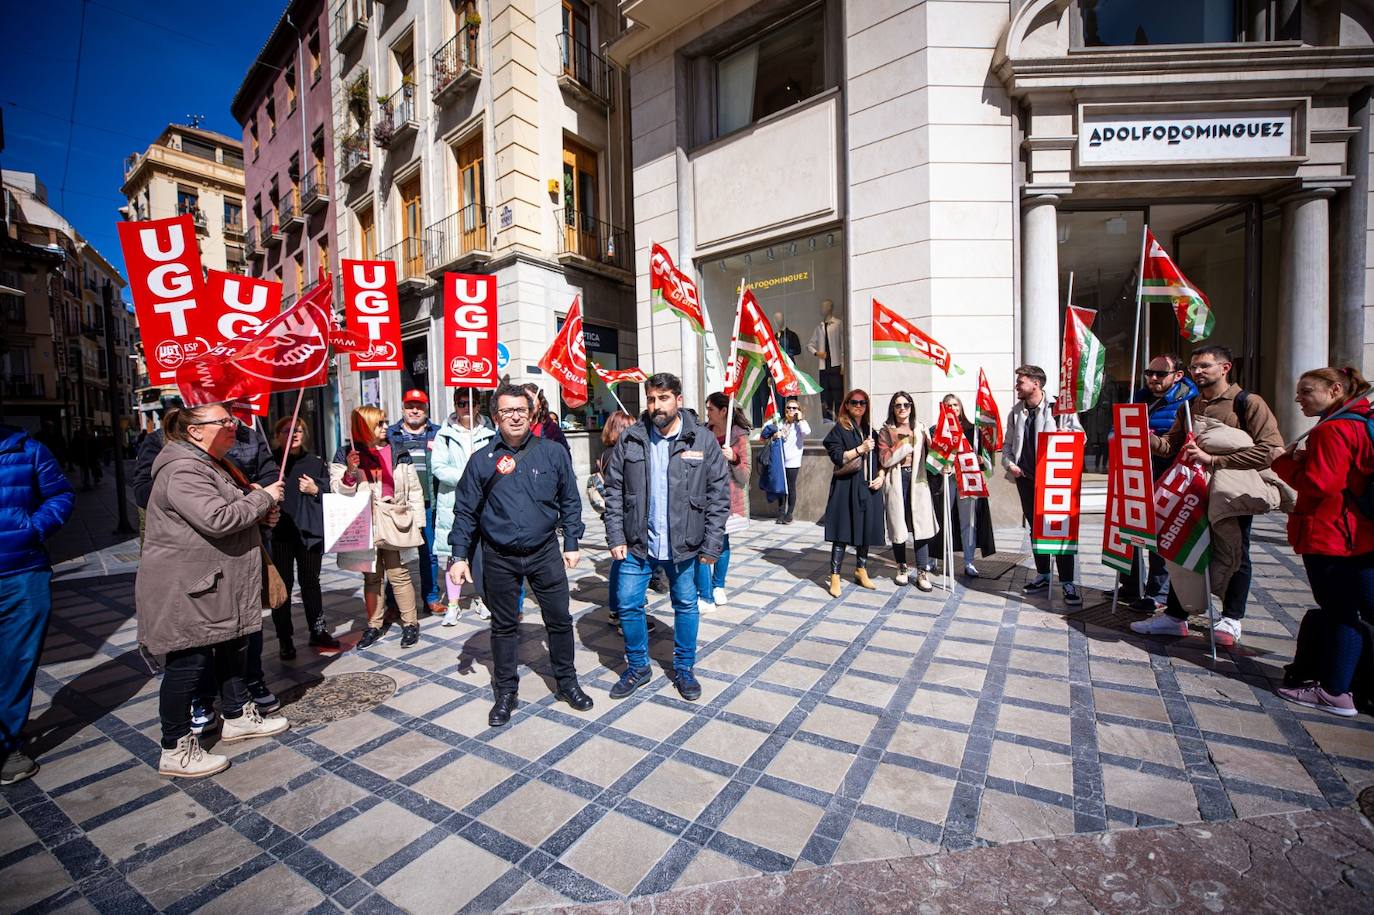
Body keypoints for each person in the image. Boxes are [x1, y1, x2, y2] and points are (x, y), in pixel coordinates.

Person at [137, 404, 289, 779]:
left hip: (217, 580)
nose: (232, 425)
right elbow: (218, 518)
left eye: (232, 420)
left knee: (230, 648)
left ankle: (237, 715)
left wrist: (262, 507)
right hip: (190, 586)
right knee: (189, 663)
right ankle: (175, 747)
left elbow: (235, 508)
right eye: (223, 421)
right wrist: (263, 498)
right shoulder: (183, 469)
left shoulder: (214, 464)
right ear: (195, 431)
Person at [447, 383, 591, 726]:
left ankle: (567, 682)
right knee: (504, 626)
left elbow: (571, 501)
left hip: (544, 553)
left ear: (532, 413)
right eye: (507, 410)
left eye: (521, 410)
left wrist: (572, 541)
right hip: (499, 556)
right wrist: (459, 556)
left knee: (559, 619)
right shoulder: (481, 460)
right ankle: (506, 692)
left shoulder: (552, 453)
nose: (515, 416)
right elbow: (465, 511)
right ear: (496, 416)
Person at [1131, 345, 1283, 645]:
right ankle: (1176, 616)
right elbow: (1171, 445)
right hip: (1194, 493)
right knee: (1184, 547)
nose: (1197, 372)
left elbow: (1270, 449)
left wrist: (1215, 460)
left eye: (1204, 366)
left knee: (1235, 552)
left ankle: (1231, 618)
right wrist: (1141, 435)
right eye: (1193, 367)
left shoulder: (1247, 403)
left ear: (1225, 368)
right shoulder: (1191, 405)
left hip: (1232, 494)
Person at [603, 373, 729, 702]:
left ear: (678, 400)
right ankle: (639, 667)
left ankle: (684, 669)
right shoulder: (631, 438)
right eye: (651, 399)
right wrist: (615, 534)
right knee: (629, 604)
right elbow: (613, 491)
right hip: (636, 545)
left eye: (663, 398)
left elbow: (718, 496)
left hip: (685, 546)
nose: (656, 406)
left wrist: (712, 544)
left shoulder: (701, 440)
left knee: (685, 605)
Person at [1270, 367, 1374, 716]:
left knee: (1340, 613)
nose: (1298, 398)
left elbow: (1318, 486)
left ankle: (1335, 692)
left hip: (1330, 536)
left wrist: (1283, 464)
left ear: (1334, 390)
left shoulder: (1333, 429)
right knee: (1364, 610)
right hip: (1359, 533)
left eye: (1306, 391)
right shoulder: (1359, 422)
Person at [0, 425, 75, 785]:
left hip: (22, 572)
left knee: (17, 661)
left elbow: (60, 494)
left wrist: (33, 530)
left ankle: (7, 743)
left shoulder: (27, 449)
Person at [332, 405, 426, 650]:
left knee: (399, 574)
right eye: (379, 423)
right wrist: (351, 471)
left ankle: (410, 624)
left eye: (385, 422)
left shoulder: (397, 451)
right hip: (365, 523)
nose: (386, 427)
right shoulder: (346, 454)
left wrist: (418, 522)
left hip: (395, 519)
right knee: (372, 577)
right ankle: (374, 625)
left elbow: (415, 489)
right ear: (364, 426)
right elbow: (339, 490)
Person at [1118, 355, 1197, 610]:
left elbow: (1179, 443)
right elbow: (1119, 428)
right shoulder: (1138, 397)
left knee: (1160, 535)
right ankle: (1131, 585)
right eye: (1149, 372)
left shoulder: (1187, 402)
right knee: (1131, 530)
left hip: (1167, 475)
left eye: (1160, 374)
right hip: (1136, 471)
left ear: (1178, 375)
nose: (1153, 378)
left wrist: (1150, 440)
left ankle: (1157, 593)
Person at [1002, 364, 1084, 605]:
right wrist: (1009, 465)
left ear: (1035, 384)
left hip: (1054, 481)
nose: (1017, 386)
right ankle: (1043, 574)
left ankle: (1068, 581)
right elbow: (1007, 445)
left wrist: (1064, 436)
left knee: (1060, 528)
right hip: (1025, 479)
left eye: (1021, 382)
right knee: (1035, 528)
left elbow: (1081, 438)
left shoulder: (1060, 409)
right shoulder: (1016, 412)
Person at [268, 416, 338, 658]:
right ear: (278, 436)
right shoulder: (271, 462)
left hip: (308, 533)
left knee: (311, 582)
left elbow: (329, 490)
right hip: (280, 534)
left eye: (298, 429)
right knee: (283, 588)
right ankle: (284, 638)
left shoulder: (315, 462)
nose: (293, 433)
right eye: (286, 430)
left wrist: (316, 489)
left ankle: (317, 630)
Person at [432, 387, 496, 625]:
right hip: (454, 501)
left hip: (487, 502)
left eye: (471, 403)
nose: (466, 408)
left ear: (479, 405)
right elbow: (438, 467)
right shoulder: (445, 434)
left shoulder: (490, 431)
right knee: (454, 554)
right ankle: (453, 604)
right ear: (454, 405)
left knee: (484, 554)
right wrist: (469, 476)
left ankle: (482, 598)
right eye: (461, 403)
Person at [823, 389, 886, 597]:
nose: (859, 406)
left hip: (867, 485)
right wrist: (860, 449)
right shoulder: (840, 428)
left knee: (865, 528)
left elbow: (881, 458)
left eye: (863, 403)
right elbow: (838, 457)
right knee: (842, 530)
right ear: (847, 405)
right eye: (854, 402)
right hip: (846, 485)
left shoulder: (869, 430)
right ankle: (834, 575)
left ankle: (861, 570)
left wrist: (881, 476)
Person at [388, 390, 442, 613]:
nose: (414, 410)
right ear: (403, 408)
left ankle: (431, 597)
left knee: (429, 553)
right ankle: (393, 603)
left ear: (426, 409)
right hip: (398, 503)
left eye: (419, 406)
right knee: (395, 555)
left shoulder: (438, 433)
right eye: (410, 406)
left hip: (428, 502)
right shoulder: (390, 434)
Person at [877, 392, 937, 591]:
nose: (902, 409)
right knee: (898, 525)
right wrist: (904, 445)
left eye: (906, 404)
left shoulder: (920, 428)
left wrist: (944, 463)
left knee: (921, 525)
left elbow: (932, 454)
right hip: (896, 479)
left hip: (918, 479)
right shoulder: (886, 430)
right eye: (898, 405)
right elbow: (885, 459)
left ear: (911, 407)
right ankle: (901, 568)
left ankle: (922, 571)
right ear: (892, 408)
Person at [588, 410, 642, 629]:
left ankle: (615, 610)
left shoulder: (605, 453)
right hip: (621, 515)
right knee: (623, 564)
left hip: (612, 513)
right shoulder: (616, 454)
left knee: (619, 563)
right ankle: (621, 612)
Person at [698, 392, 751, 610]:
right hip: (702, 497)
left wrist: (734, 458)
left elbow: (745, 476)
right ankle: (705, 592)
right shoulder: (702, 434)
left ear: (724, 412)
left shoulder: (739, 437)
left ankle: (718, 584)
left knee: (722, 543)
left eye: (711, 409)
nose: (707, 413)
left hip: (728, 501)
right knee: (702, 543)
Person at [940, 394, 997, 577]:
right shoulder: (939, 430)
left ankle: (969, 561)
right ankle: (935, 558)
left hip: (968, 481)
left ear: (961, 407)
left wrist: (981, 460)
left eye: (956, 404)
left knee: (968, 522)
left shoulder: (974, 430)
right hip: (947, 479)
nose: (953, 408)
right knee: (942, 519)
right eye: (949, 405)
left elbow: (986, 458)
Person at [762, 398, 809, 523]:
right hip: (780, 459)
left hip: (793, 461)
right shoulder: (780, 422)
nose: (791, 410)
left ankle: (790, 513)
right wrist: (774, 436)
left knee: (790, 486)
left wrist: (799, 419)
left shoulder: (800, 424)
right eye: (789, 407)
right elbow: (765, 434)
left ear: (798, 410)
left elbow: (806, 432)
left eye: (794, 408)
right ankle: (781, 513)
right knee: (781, 487)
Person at [808, 299, 845, 421]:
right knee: (825, 396)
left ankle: (840, 420)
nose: (822, 309)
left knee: (838, 395)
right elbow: (810, 345)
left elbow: (843, 345)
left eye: (824, 306)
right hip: (823, 367)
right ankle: (827, 421)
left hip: (836, 365)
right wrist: (817, 353)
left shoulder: (838, 324)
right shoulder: (819, 327)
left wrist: (843, 364)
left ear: (830, 308)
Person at [524, 383, 570, 451]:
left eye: (531, 399)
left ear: (540, 404)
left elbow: (563, 457)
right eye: (524, 399)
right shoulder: (513, 428)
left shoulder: (552, 429)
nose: (529, 403)